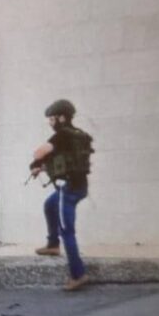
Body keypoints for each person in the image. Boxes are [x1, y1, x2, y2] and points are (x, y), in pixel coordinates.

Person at [29, 99, 94, 291]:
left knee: (67, 231)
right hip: (80, 187)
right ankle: (52, 245)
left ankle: (78, 275)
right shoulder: (80, 135)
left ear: (62, 118)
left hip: (68, 189)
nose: (50, 123)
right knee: (50, 205)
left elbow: (38, 152)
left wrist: (36, 162)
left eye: (52, 119)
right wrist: (43, 167)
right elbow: (68, 159)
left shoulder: (62, 135)